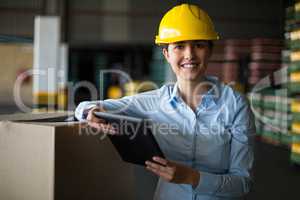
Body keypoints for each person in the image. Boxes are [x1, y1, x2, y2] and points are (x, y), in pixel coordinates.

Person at [75, 3, 255, 200]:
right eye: (179, 46)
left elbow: (242, 183)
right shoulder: (153, 102)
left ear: (210, 51)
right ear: (167, 54)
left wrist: (192, 177)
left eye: (199, 45)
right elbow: (85, 107)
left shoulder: (235, 105)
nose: (189, 54)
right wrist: (88, 112)